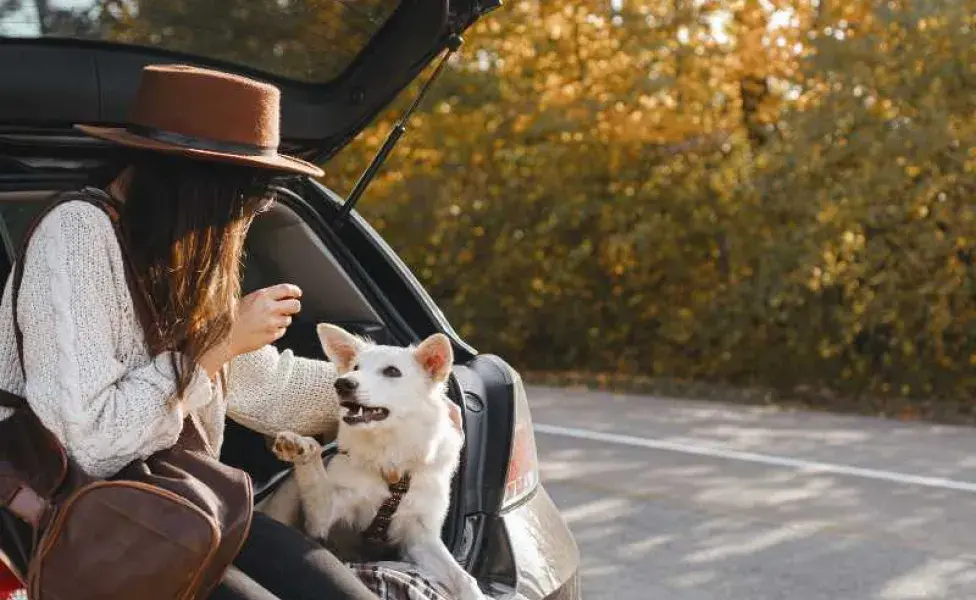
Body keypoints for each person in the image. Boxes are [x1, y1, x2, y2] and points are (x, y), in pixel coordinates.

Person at [0, 64, 380, 600]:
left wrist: (397, 395)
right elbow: (88, 444)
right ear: (197, 184)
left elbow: (264, 385)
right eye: (247, 195)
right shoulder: (76, 238)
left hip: (178, 500)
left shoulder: (180, 259)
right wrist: (218, 345)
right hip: (79, 519)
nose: (253, 211)